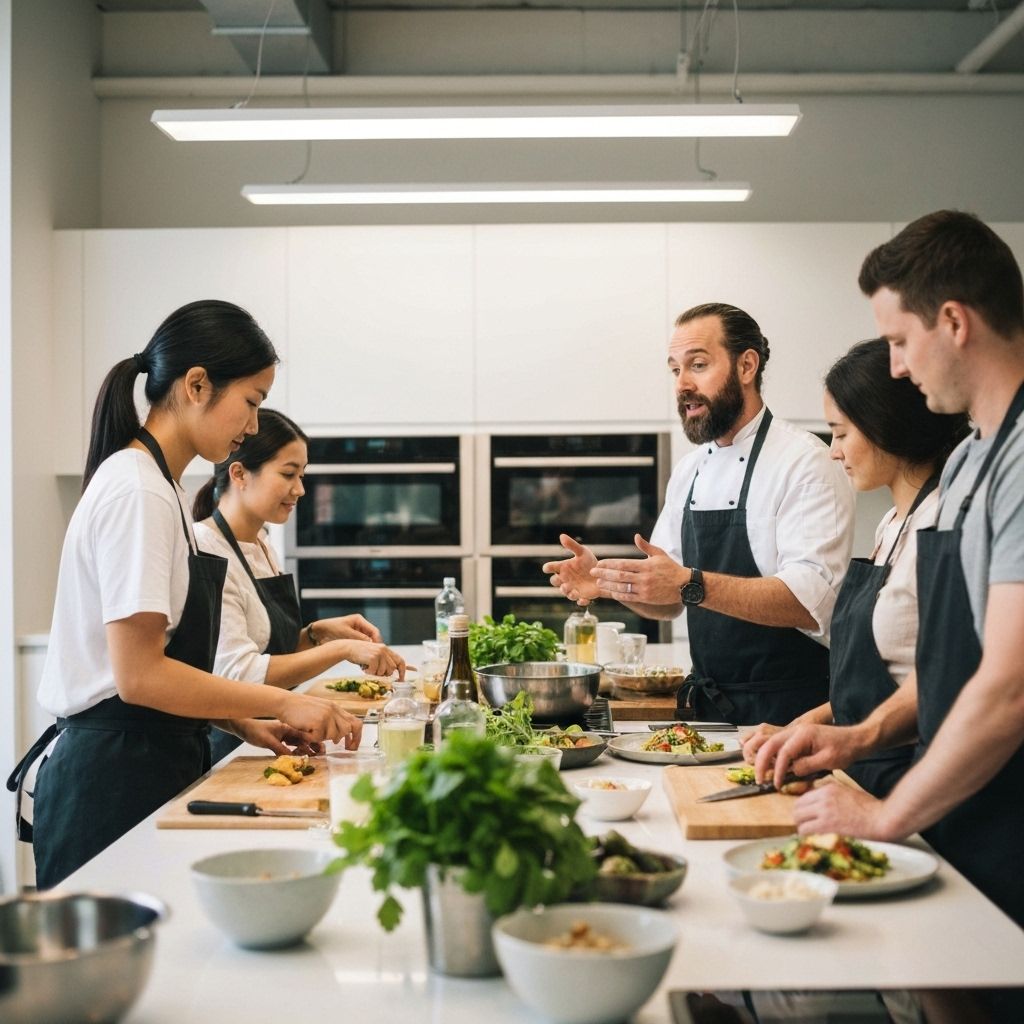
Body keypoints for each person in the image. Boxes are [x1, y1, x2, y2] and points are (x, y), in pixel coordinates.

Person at [6, 299, 361, 889]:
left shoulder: (161, 486)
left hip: (144, 759)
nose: (253, 426)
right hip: (112, 779)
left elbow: (162, 666)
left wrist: (241, 722)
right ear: (196, 385)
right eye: (251, 401)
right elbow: (139, 676)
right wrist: (281, 703)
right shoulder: (139, 491)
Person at [754, 212, 1024, 944]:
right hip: (957, 803)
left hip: (1004, 814)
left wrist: (885, 816)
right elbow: (950, 663)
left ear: (954, 322)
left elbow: (1008, 686)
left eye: (901, 341)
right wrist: (856, 737)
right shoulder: (971, 463)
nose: (897, 368)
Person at [544, 302, 855, 726]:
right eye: (675, 370)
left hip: (792, 715)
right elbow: (670, 599)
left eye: (698, 365)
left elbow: (811, 602)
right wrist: (611, 584)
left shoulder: (806, 462)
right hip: (707, 714)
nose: (682, 385)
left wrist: (690, 584)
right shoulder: (690, 470)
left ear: (746, 366)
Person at [742, 339, 968, 798]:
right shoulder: (891, 523)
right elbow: (877, 682)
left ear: (886, 427)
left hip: (914, 782)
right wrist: (802, 727)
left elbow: (946, 681)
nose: (833, 451)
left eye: (841, 434)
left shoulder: (942, 527)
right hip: (861, 774)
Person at [191, 408, 406, 762]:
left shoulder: (262, 544)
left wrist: (317, 633)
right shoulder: (206, 549)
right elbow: (239, 673)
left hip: (277, 734)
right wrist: (341, 650)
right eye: (288, 474)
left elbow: (268, 646)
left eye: (302, 475)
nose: (300, 489)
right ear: (239, 474)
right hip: (234, 742)